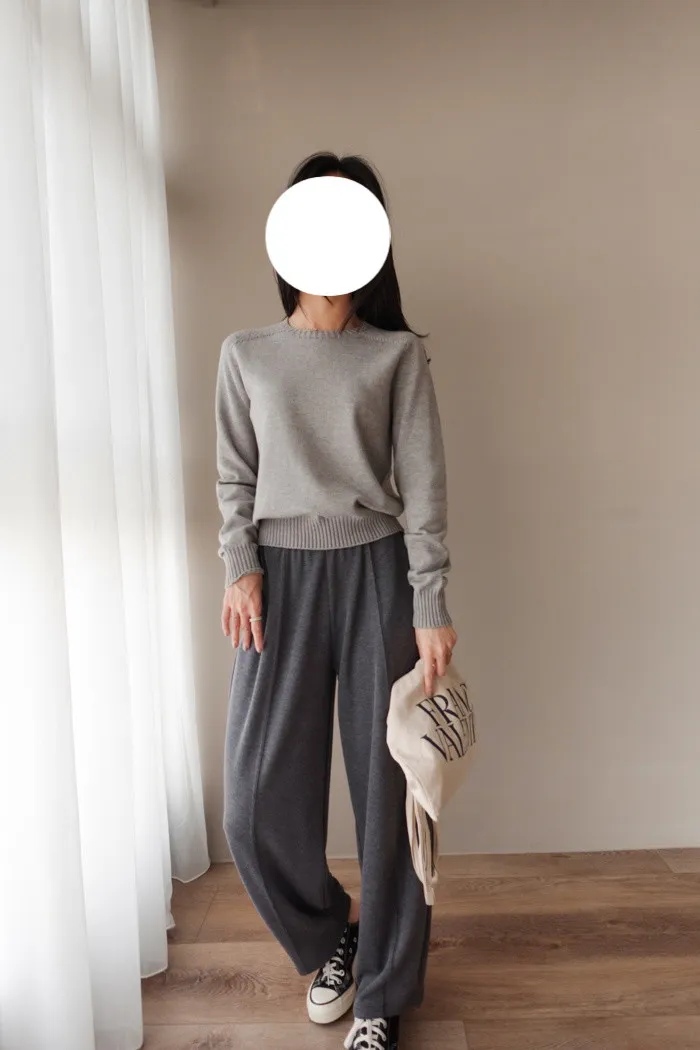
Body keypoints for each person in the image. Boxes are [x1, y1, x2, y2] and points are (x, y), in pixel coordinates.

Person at [216, 151, 457, 1050]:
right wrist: (240, 564)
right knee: (251, 806)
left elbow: (423, 485)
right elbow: (234, 477)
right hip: (277, 581)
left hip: (376, 577)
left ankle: (381, 996)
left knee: (390, 796)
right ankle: (334, 936)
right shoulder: (246, 354)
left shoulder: (395, 355)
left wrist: (429, 601)